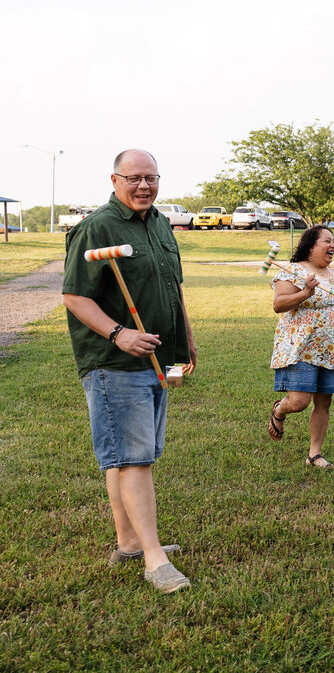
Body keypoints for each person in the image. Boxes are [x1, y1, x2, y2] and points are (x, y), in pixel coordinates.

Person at [61, 149, 197, 594]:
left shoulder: (159, 222)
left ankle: (129, 542)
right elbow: (76, 297)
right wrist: (118, 333)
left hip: (159, 355)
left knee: (128, 455)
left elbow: (172, 286)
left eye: (151, 178)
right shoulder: (96, 227)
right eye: (134, 178)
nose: (144, 186)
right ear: (115, 179)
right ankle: (155, 560)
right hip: (115, 363)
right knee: (135, 458)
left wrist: (187, 338)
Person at [268, 225, 334, 469]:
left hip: (332, 351)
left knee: (324, 403)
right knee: (299, 402)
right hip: (301, 347)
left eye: (333, 241)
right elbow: (279, 304)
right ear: (311, 247)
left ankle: (314, 454)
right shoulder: (293, 271)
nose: (332, 245)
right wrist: (306, 292)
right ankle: (280, 411)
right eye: (326, 241)